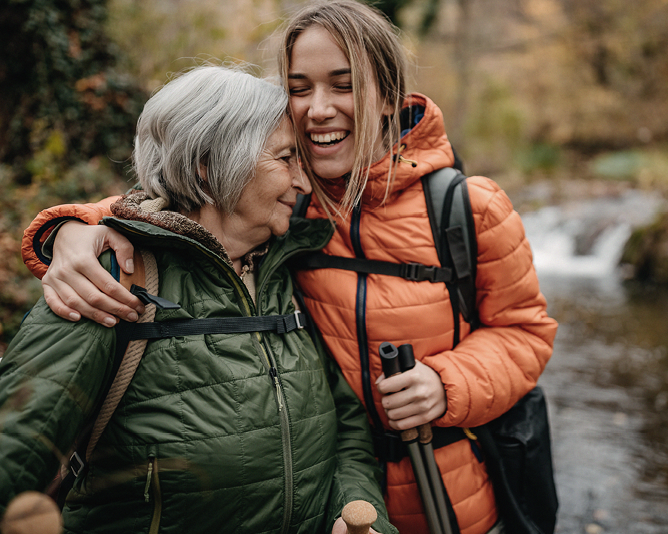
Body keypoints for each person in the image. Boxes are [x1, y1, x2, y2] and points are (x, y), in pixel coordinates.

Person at [20, 1, 559, 533]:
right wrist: (72, 228)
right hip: (322, 498)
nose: (317, 109)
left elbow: (526, 333)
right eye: (299, 88)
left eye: (343, 85)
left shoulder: (468, 208)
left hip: (448, 496)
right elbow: (177, 200)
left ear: (390, 96)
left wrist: (449, 383)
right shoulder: (283, 202)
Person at [2, 64, 398, 534]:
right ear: (207, 166)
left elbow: (347, 432)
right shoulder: (111, 279)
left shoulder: (287, 275)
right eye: (285, 158)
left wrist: (354, 511)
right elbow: (14, 449)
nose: (304, 183)